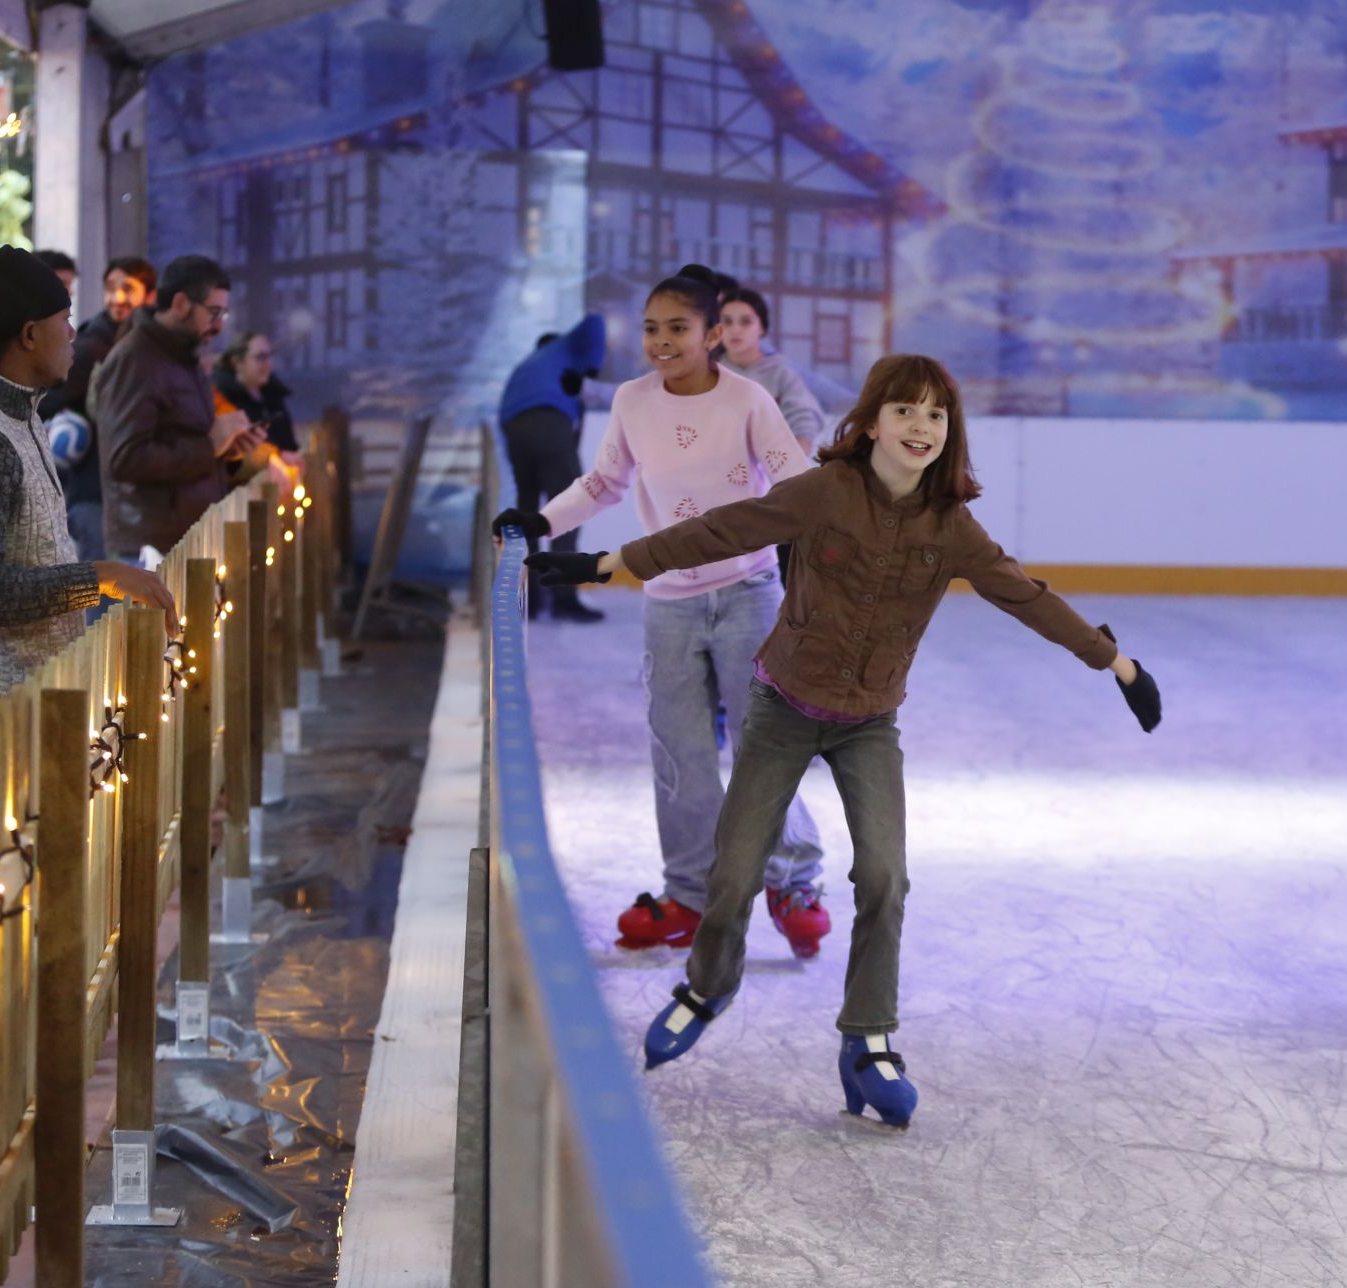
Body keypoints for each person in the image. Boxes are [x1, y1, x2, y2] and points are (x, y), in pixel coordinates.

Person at [528, 353, 1163, 1129]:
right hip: (783, 708)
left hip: (870, 724)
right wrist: (607, 562)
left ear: (950, 433)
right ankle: (708, 986)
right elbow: (721, 530)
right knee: (733, 872)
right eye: (904, 411)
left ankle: (867, 1036)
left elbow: (1025, 596)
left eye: (936, 415)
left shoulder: (951, 528)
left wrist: (1118, 664)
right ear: (870, 422)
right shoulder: (827, 492)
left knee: (886, 877)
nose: (920, 427)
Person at [493, 264, 830, 958]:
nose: (660, 341)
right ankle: (690, 894)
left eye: (678, 328)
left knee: (765, 747)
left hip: (749, 595)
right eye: (651, 328)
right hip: (670, 604)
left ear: (711, 336)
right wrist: (542, 522)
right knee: (679, 754)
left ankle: (792, 879)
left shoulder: (747, 401)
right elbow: (604, 481)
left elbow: (796, 486)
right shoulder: (633, 401)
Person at [0, 247, 177, 755]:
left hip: (27, 703)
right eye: (66, 318)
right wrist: (99, 577)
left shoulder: (18, 414)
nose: (75, 332)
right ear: (30, 334)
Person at [89, 254, 273, 559]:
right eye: (213, 313)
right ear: (180, 304)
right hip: (148, 552)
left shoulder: (183, 357)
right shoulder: (135, 360)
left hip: (185, 540)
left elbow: (182, 439)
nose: (218, 327)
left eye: (223, 315)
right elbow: (124, 459)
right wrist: (210, 446)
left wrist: (229, 452)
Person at [41, 255, 158, 563]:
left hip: (140, 495)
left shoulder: (152, 347)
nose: (117, 297)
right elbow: (44, 402)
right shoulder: (89, 346)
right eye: (110, 287)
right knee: (103, 597)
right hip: (93, 493)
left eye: (128, 288)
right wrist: (72, 423)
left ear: (150, 295)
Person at [497, 315, 607, 621]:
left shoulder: (527, 367)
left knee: (529, 513)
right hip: (548, 419)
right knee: (570, 510)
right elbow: (596, 322)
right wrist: (593, 365)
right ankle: (563, 599)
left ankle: (530, 599)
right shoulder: (564, 351)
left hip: (515, 428)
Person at [718, 288, 824, 456]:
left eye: (746, 322)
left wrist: (795, 462)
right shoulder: (708, 375)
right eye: (727, 322)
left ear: (762, 326)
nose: (735, 329)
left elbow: (803, 417)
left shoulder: (781, 374)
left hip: (771, 468)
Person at [213, 330, 301, 457]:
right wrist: (278, 457)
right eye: (260, 357)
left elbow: (289, 443)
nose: (268, 364)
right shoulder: (221, 399)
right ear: (237, 363)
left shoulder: (274, 397)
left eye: (270, 356)